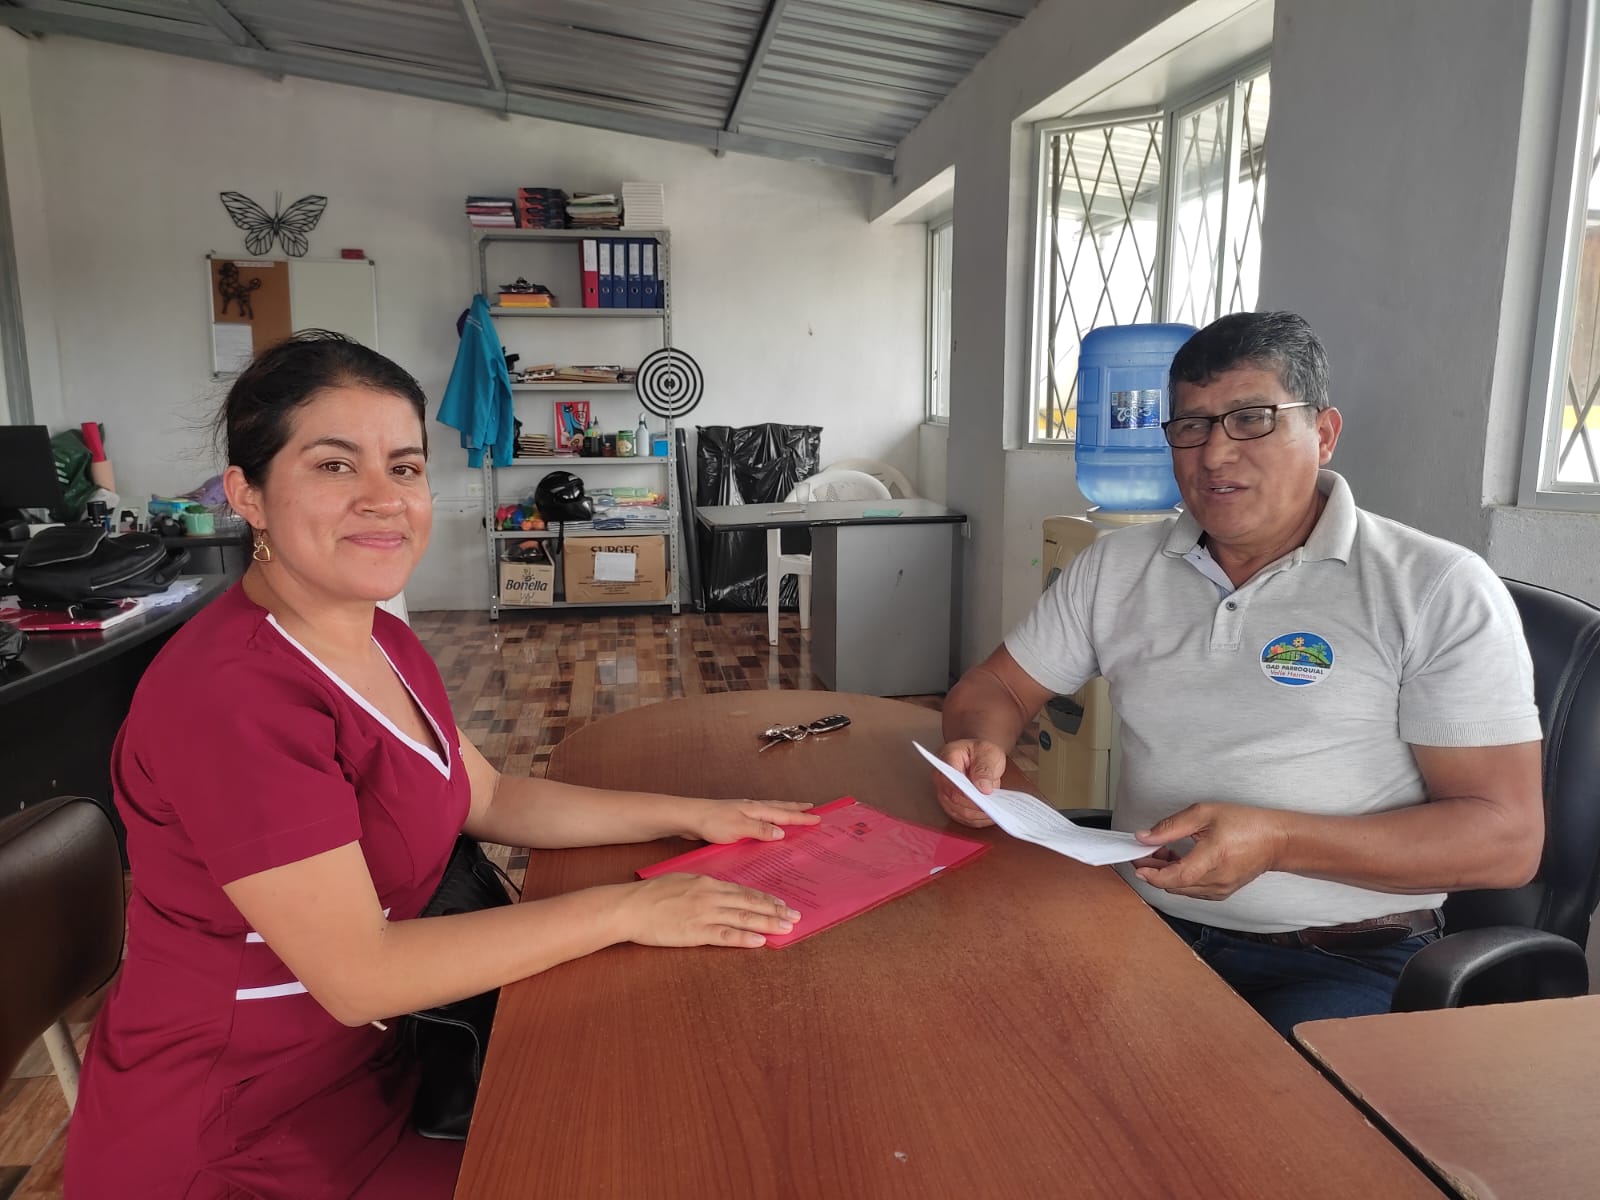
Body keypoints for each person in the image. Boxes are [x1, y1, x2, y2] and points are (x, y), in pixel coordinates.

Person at [64, 332, 818, 1199]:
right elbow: (360, 976)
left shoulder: (380, 639)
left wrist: (690, 815)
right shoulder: (231, 697)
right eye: (335, 465)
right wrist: (631, 908)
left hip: (402, 1063)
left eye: (406, 467)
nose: (384, 499)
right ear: (249, 495)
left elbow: (487, 795)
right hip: (243, 1127)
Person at [933, 311, 1543, 1037]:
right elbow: (997, 688)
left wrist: (1281, 842)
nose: (1215, 454)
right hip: (1139, 920)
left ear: (1323, 433)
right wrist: (980, 748)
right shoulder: (1118, 568)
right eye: (1191, 426)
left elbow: (1506, 839)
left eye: (1252, 419)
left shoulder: (1434, 587)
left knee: (1239, 1108)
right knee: (977, 1033)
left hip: (1343, 956)